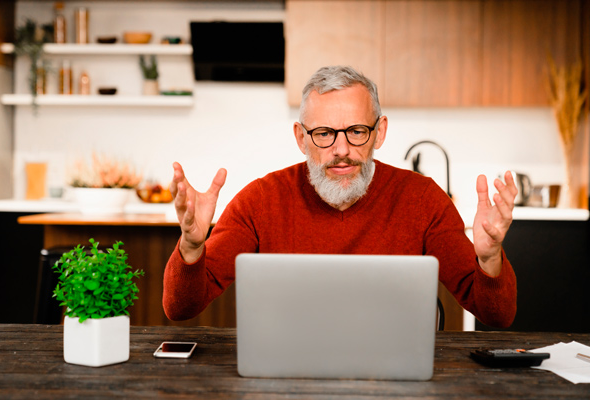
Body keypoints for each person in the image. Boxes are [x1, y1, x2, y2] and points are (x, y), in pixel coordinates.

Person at [163, 66, 517, 328]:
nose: (341, 150)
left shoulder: (423, 199)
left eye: (357, 131)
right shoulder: (260, 200)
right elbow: (180, 309)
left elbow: (496, 317)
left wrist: (489, 260)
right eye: (324, 134)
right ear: (301, 138)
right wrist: (192, 248)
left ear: (379, 133)